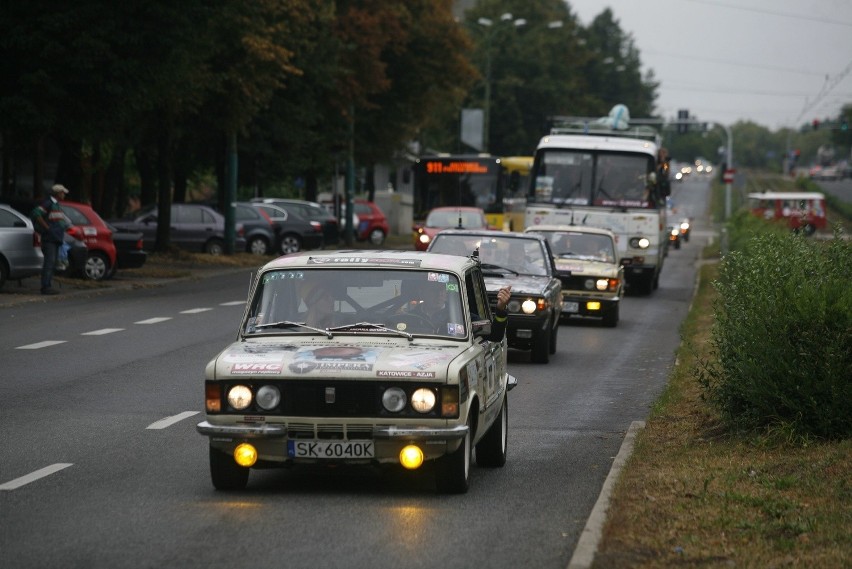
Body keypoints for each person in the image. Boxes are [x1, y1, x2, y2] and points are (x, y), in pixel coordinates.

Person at [31, 184, 71, 295]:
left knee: (52, 263)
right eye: (63, 192)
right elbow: (36, 213)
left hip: (55, 238)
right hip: (50, 239)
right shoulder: (48, 203)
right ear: (58, 193)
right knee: (49, 263)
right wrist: (47, 227)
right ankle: (45, 287)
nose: (64, 195)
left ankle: (48, 285)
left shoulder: (56, 205)